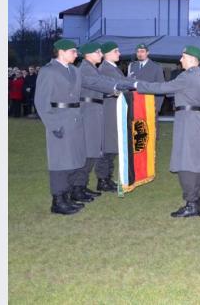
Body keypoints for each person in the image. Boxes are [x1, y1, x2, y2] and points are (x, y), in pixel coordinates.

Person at [34, 39, 126, 215]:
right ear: (61, 51)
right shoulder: (48, 71)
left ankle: (68, 195)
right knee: (60, 161)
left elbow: (94, 83)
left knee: (74, 160)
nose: (76, 54)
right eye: (73, 52)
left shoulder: (74, 71)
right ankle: (58, 200)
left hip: (76, 119)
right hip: (59, 119)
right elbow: (41, 101)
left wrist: (116, 87)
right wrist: (53, 124)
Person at [135, 45, 200, 218]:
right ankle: (196, 201)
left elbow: (162, 89)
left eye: (183, 57)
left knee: (187, 161)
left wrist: (138, 85)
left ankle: (191, 204)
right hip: (195, 120)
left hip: (187, 121)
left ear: (191, 59)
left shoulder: (187, 76)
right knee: (195, 160)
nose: (180, 60)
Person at [71, 42, 132, 203]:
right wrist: (116, 88)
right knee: (88, 152)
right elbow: (100, 83)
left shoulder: (92, 69)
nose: (100, 54)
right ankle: (77, 188)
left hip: (94, 111)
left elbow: (103, 81)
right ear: (88, 54)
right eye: (97, 52)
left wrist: (121, 86)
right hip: (88, 112)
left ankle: (81, 187)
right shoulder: (85, 69)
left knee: (92, 152)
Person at [97, 42, 131, 192]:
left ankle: (106, 177)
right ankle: (103, 179)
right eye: (116, 51)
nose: (119, 54)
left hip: (114, 108)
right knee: (108, 145)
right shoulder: (106, 69)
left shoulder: (112, 68)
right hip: (109, 109)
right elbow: (120, 84)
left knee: (112, 144)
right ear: (107, 53)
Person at [128, 43, 166, 117]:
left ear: (147, 53)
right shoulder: (132, 66)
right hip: (135, 104)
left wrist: (156, 107)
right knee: (136, 127)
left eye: (142, 51)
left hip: (149, 104)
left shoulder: (156, 67)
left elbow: (161, 88)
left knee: (150, 128)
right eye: (138, 51)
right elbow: (128, 86)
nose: (139, 54)